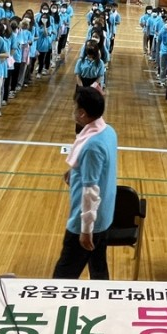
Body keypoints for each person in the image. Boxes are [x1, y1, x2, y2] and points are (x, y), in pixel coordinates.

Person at [52, 86, 118, 280]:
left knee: (64, 275)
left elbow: (90, 191)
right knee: (98, 268)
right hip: (104, 215)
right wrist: (75, 171)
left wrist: (86, 230)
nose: (72, 110)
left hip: (88, 221)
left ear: (82, 113)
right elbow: (99, 168)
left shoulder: (92, 146)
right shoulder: (108, 131)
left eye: (74, 106)